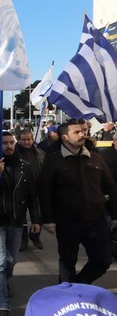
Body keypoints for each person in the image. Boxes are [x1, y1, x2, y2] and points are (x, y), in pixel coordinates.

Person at [39, 119, 117, 285]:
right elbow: (45, 192)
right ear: (65, 137)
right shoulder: (53, 161)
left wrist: (115, 215)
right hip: (67, 222)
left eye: (83, 131)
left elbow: (111, 188)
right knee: (68, 262)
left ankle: (78, 285)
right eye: (77, 132)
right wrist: (48, 220)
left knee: (102, 261)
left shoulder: (96, 158)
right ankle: (66, 297)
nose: (82, 134)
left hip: (96, 221)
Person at [0, 131, 41, 316]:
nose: (8, 146)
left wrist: (36, 219)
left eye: (11, 143)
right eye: (4, 143)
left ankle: (4, 281)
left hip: (17, 221)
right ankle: (3, 304)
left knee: (11, 260)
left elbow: (32, 195)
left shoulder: (25, 167)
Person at [16, 129, 45, 251]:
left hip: (37, 189)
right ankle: (23, 240)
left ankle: (34, 235)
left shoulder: (40, 153)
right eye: (23, 140)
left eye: (28, 139)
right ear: (19, 140)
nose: (26, 142)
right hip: (20, 189)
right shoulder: (14, 153)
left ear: (33, 139)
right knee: (21, 216)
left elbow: (45, 169)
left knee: (38, 215)